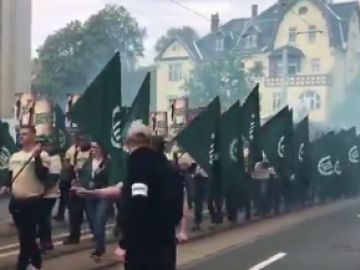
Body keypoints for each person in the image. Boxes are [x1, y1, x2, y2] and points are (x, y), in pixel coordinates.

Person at [76, 121, 180, 270]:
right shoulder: (166, 165)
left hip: (144, 244)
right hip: (166, 241)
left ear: (129, 142)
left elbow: (138, 201)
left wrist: (126, 241)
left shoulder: (139, 162)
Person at [0, 125, 50, 270]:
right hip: (17, 202)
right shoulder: (15, 156)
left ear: (34, 136)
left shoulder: (42, 155)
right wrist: (6, 186)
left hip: (33, 201)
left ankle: (22, 265)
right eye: (20, 134)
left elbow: (42, 176)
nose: (21, 136)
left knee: (27, 237)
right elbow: (11, 176)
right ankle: (35, 264)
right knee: (25, 237)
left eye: (25, 134)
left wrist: (37, 158)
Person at [79, 142, 110, 260]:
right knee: (92, 221)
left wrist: (97, 184)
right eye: (91, 147)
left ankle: (98, 248)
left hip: (103, 195)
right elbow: (82, 176)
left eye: (95, 147)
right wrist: (81, 184)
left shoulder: (107, 163)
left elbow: (111, 178)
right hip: (89, 195)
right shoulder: (88, 162)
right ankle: (100, 244)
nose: (92, 149)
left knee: (99, 221)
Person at [63, 134, 91, 245]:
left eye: (83, 139)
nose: (81, 142)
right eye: (80, 139)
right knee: (74, 214)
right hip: (76, 187)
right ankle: (74, 237)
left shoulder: (94, 151)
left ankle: (98, 234)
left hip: (90, 188)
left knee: (91, 214)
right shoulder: (74, 152)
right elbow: (67, 165)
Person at [38, 139, 62, 252]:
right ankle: (43, 239)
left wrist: (42, 190)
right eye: (43, 145)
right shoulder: (42, 157)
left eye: (47, 145)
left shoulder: (55, 159)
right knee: (40, 218)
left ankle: (46, 241)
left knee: (44, 218)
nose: (45, 147)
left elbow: (52, 179)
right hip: (39, 193)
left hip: (50, 194)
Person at [53, 133, 79, 221]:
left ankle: (74, 214)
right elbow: (67, 163)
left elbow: (70, 164)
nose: (73, 140)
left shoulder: (78, 150)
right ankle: (62, 214)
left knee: (67, 197)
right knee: (64, 196)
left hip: (72, 175)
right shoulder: (71, 150)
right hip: (67, 176)